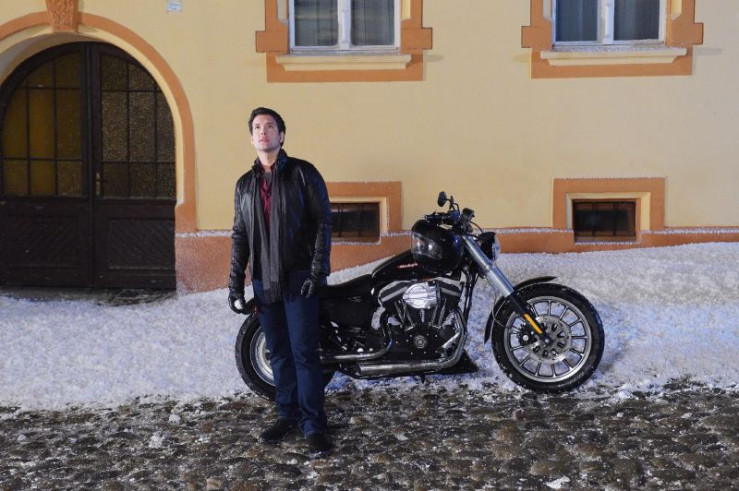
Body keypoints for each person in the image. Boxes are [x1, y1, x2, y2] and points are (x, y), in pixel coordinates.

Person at [228, 107, 333, 457]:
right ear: (251, 138)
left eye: (270, 126)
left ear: (282, 135)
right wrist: (235, 283)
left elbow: (323, 221)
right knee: (279, 353)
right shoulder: (244, 185)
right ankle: (286, 415)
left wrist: (318, 270)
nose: (263, 131)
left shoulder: (303, 173)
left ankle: (313, 424)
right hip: (264, 280)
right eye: (257, 127)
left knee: (304, 353)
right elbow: (240, 236)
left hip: (299, 277)